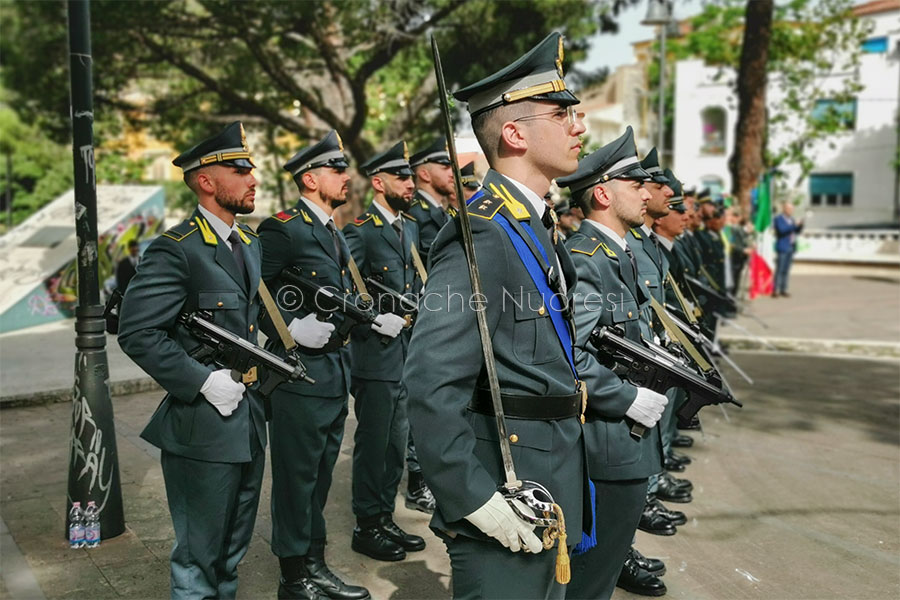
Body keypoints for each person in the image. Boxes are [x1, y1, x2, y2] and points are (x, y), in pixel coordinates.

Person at [405, 32, 589, 600]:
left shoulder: (531, 224)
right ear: (514, 133)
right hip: (506, 487)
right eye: (562, 114)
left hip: (551, 472)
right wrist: (472, 496)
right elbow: (431, 380)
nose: (579, 126)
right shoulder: (483, 230)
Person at [118, 121, 267, 599]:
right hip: (202, 424)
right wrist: (202, 382)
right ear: (206, 181)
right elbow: (138, 331)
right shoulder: (177, 250)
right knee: (198, 558)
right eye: (240, 169)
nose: (253, 178)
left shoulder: (248, 244)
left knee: (231, 551)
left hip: (246, 417)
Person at [556, 126, 669, 600]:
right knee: (591, 581)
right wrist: (626, 398)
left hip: (626, 444)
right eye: (635, 184)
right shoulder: (587, 259)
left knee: (601, 574)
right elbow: (570, 355)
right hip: (606, 444)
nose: (647, 193)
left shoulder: (617, 253)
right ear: (602, 193)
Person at [257, 130, 370, 600]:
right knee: (296, 478)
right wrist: (289, 328)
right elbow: (254, 293)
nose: (346, 177)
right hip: (298, 372)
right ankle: (294, 576)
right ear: (309, 177)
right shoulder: (282, 228)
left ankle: (314, 564)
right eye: (335, 169)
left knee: (319, 475)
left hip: (332, 371)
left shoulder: (331, 229)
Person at [342, 141, 425, 562]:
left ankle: (384, 515)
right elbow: (345, 292)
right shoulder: (360, 229)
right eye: (402, 177)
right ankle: (366, 524)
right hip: (375, 355)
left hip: (405, 353)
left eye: (410, 177)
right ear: (379, 182)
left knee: (397, 443)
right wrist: (373, 317)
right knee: (375, 443)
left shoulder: (405, 227)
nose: (410, 184)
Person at [773, 202, 803, 297]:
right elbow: (782, 230)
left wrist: (800, 225)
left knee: (786, 269)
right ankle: (776, 290)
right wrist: (794, 226)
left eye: (792, 209)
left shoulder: (791, 219)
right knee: (780, 269)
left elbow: (796, 231)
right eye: (789, 209)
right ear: (784, 209)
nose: (791, 211)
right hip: (783, 246)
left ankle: (784, 289)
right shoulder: (779, 219)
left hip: (791, 246)